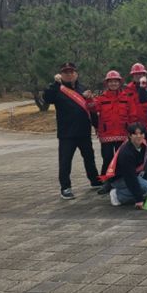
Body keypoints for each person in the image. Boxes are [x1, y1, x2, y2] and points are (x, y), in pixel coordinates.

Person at [43, 62, 100, 200]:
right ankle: (65, 187)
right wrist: (55, 84)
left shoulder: (83, 89)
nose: (69, 75)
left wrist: (97, 125)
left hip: (84, 132)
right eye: (66, 72)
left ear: (76, 74)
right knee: (65, 161)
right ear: (61, 74)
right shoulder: (57, 89)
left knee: (89, 158)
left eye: (71, 72)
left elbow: (90, 109)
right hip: (66, 134)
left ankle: (95, 180)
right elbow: (47, 98)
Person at [89, 70, 132, 179]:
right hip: (106, 134)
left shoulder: (126, 97)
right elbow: (92, 108)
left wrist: (132, 130)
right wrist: (89, 99)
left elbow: (131, 114)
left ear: (119, 83)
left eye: (116, 81)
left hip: (122, 133)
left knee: (121, 158)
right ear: (107, 83)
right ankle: (106, 180)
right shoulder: (101, 98)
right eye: (111, 81)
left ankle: (120, 179)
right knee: (107, 158)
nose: (113, 84)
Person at [106, 123, 147, 209]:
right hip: (120, 178)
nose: (139, 136)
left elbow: (146, 155)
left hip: (134, 172)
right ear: (130, 136)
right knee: (145, 187)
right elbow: (130, 178)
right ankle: (118, 195)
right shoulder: (126, 153)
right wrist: (139, 199)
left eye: (141, 133)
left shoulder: (142, 144)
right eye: (135, 134)